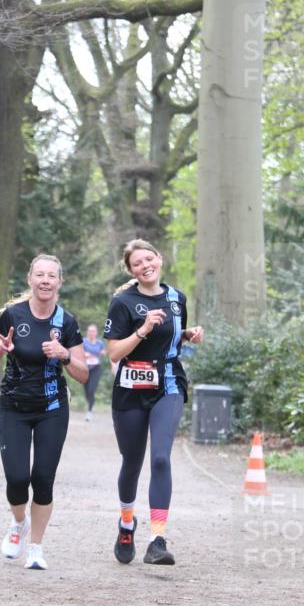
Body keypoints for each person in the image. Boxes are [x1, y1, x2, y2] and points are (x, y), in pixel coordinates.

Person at [0, 254, 88, 570]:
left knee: (42, 479)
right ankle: (18, 523)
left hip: (52, 409)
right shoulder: (12, 316)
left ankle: (36, 549)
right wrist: (0, 348)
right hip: (13, 407)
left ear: (59, 282)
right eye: (39, 274)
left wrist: (65, 355)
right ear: (30, 279)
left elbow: (83, 375)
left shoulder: (66, 322)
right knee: (16, 479)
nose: (45, 280)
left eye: (51, 275)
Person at [104, 239, 203, 566]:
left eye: (149, 258)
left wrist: (187, 334)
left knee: (160, 458)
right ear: (131, 271)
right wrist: (143, 330)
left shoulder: (177, 298)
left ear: (159, 259)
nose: (145, 265)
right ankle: (127, 523)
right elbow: (115, 352)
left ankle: (157, 540)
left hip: (169, 385)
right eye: (137, 263)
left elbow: (171, 336)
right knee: (132, 462)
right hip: (130, 390)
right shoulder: (123, 302)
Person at [82, 324, 106, 421]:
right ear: (87, 332)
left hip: (96, 368)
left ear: (96, 332)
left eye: (93, 331)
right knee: (87, 391)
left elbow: (104, 351)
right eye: (90, 331)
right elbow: (78, 352)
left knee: (92, 389)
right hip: (85, 368)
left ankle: (89, 411)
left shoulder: (99, 343)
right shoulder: (83, 342)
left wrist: (102, 353)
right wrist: (84, 354)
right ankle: (89, 404)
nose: (91, 333)